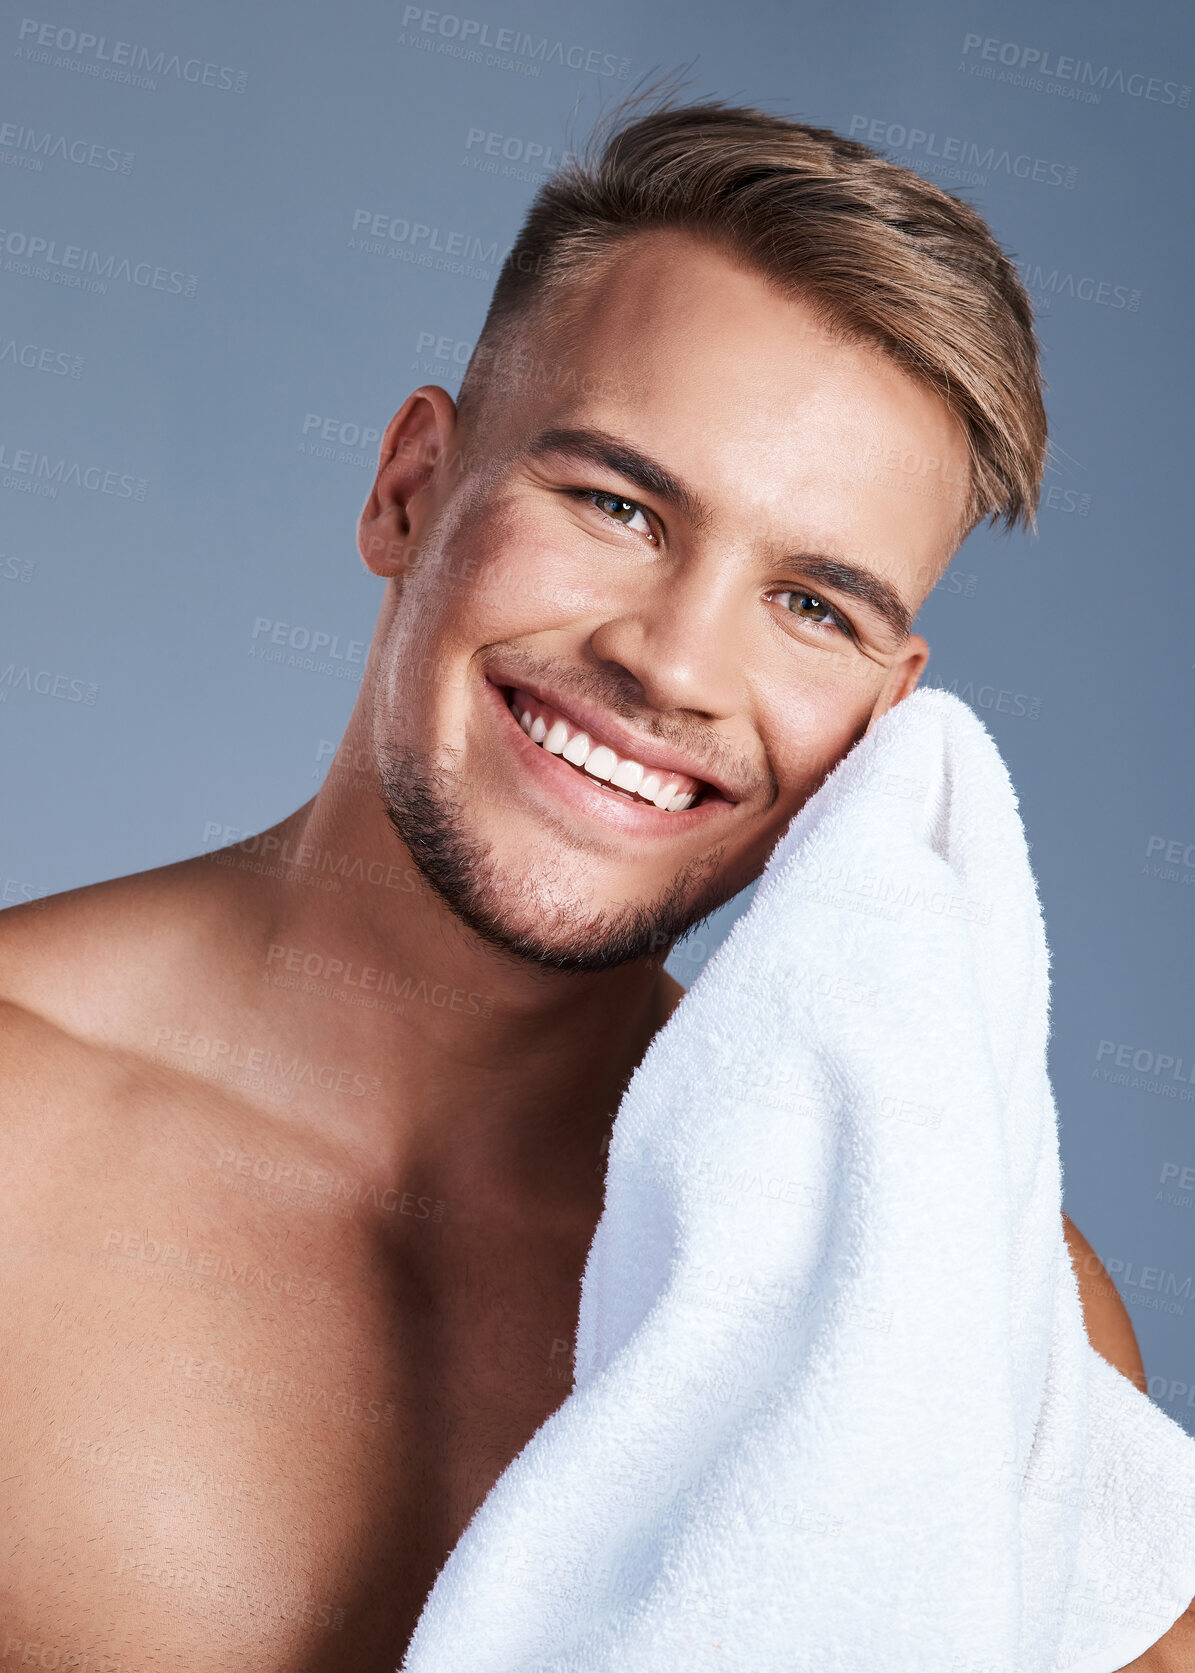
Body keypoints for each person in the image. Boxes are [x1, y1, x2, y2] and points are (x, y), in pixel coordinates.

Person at [0, 100, 1186, 1672]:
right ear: (412, 488)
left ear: (888, 727)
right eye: (618, 505)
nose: (676, 661)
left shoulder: (951, 1295)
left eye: (811, 604)